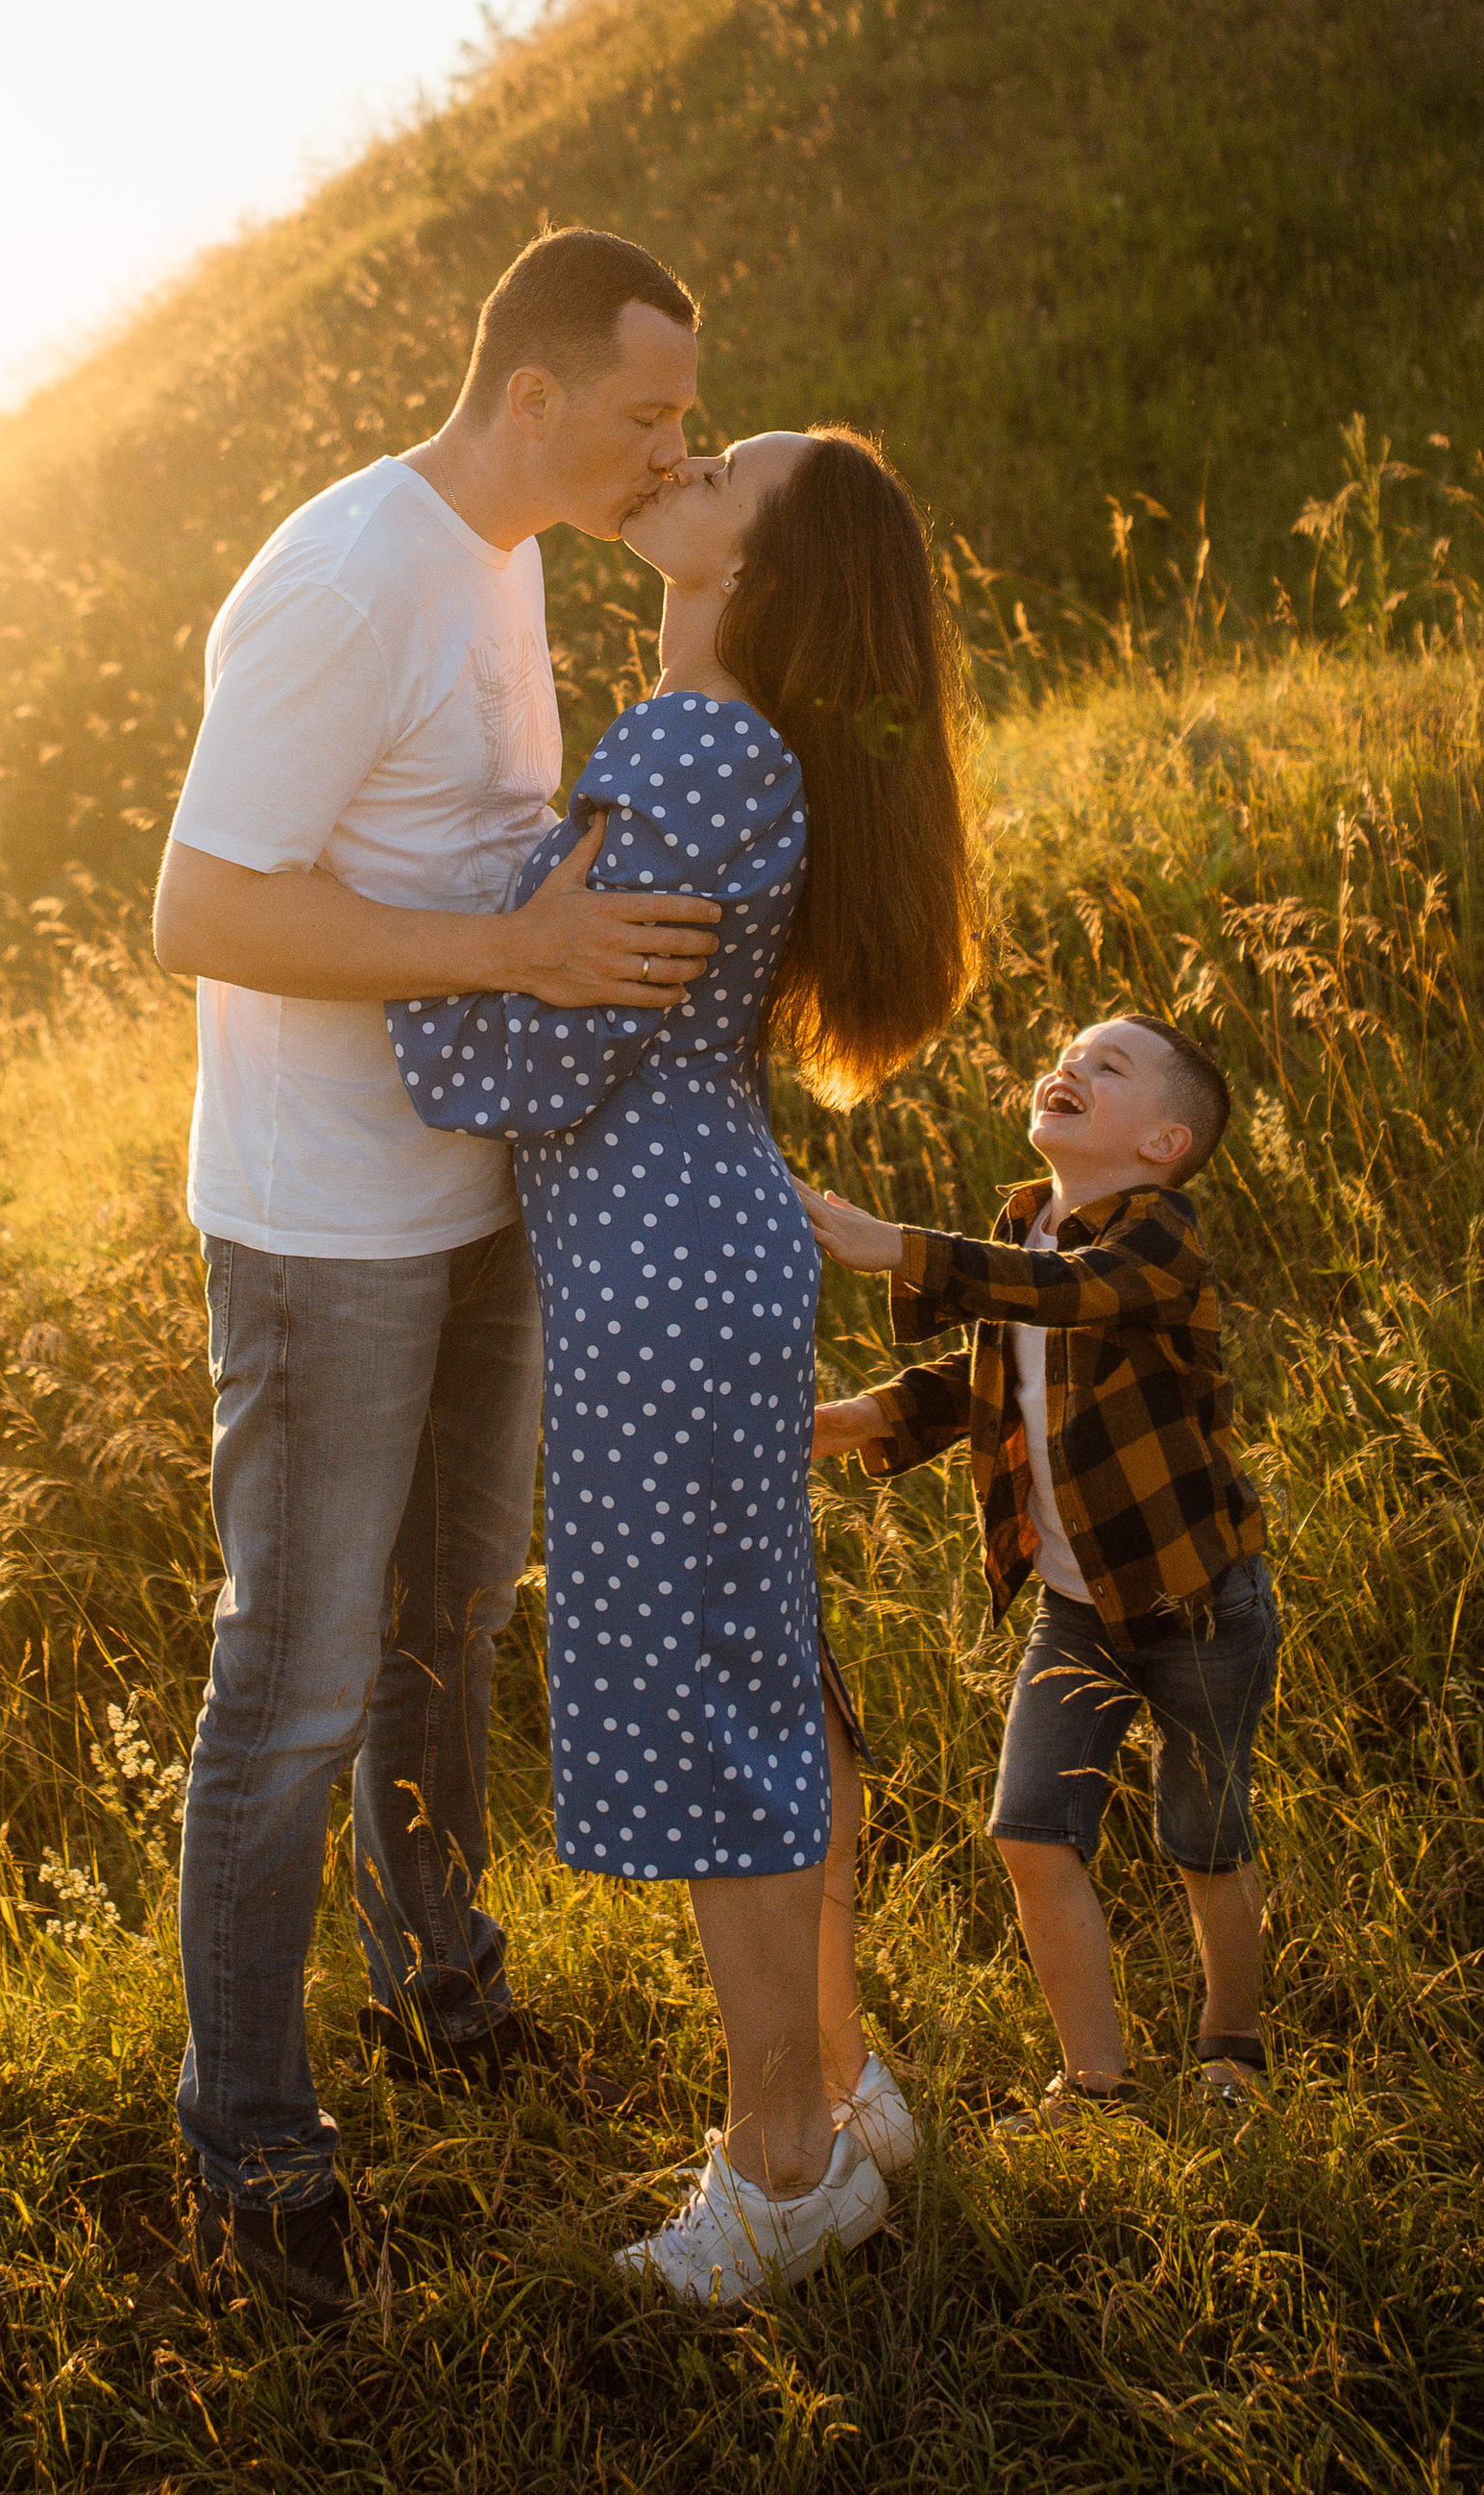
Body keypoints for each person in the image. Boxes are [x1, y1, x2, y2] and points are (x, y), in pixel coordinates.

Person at [153, 226, 730, 2331]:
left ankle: (436, 1974)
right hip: (322, 1231)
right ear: (530, 399)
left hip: (480, 1188)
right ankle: (253, 2139)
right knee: (290, 1687)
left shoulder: (505, 553)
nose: (678, 446)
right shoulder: (346, 577)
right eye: (650, 414)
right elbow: (197, 905)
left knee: (448, 1630)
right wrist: (509, 952)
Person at [390, 425, 981, 2304]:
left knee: (724, 1726)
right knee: (768, 1682)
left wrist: (399, 959)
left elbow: (533, 1056)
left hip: (655, 1273)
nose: (684, 459)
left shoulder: (684, 748)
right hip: (705, 1243)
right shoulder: (732, 752)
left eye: (723, 462)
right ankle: (843, 2075)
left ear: (758, 572)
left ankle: (784, 2165)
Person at [805, 1015, 1277, 2123]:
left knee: (1204, 1839)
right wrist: (840, 1421)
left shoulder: (1158, 1241)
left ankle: (1231, 2051)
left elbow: (1064, 1296)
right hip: (1076, 1611)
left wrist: (898, 1246)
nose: (1068, 1068)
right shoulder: (1026, 1224)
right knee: (1028, 1834)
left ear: (1165, 1141)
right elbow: (989, 1373)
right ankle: (1095, 2083)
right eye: (1067, 1054)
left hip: (1193, 1599)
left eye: (1107, 1066)